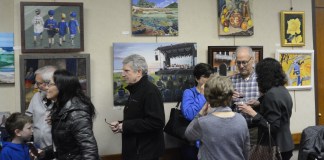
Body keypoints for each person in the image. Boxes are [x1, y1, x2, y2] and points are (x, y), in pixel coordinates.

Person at [109, 54, 165, 160]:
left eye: (126, 71)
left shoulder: (150, 91)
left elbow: (157, 122)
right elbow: (138, 117)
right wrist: (121, 124)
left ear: (139, 72)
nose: (122, 74)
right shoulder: (136, 90)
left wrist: (125, 126)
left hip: (145, 153)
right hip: (135, 151)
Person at [238, 58, 294, 160]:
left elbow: (272, 127)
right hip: (286, 144)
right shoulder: (282, 89)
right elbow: (278, 111)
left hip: (275, 147)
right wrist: (259, 102)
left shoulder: (271, 94)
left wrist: (252, 113)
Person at [185, 75, 250, 160]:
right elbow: (246, 150)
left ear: (207, 97)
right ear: (230, 95)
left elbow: (188, 135)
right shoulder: (241, 119)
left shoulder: (203, 122)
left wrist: (200, 113)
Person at [42, 69, 99, 159]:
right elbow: (66, 147)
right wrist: (44, 152)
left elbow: (89, 149)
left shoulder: (77, 113)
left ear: (62, 87)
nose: (46, 88)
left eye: (50, 84)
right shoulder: (60, 108)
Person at [180, 63, 213, 160]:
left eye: (210, 76)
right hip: (193, 141)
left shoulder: (213, 93)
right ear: (197, 78)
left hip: (210, 140)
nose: (208, 79)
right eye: (205, 76)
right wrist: (202, 95)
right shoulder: (189, 92)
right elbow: (189, 115)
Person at [230, 46, 260, 145]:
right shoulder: (231, 80)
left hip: (255, 130)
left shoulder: (261, 79)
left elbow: (270, 104)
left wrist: (258, 103)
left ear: (252, 60)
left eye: (244, 62)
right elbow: (223, 106)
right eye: (238, 62)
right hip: (235, 129)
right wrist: (229, 99)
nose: (241, 66)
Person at [25, 66, 57, 150]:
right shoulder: (36, 96)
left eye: (38, 83)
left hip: (57, 150)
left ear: (49, 83)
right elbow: (28, 117)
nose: (35, 86)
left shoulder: (65, 101)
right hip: (38, 148)